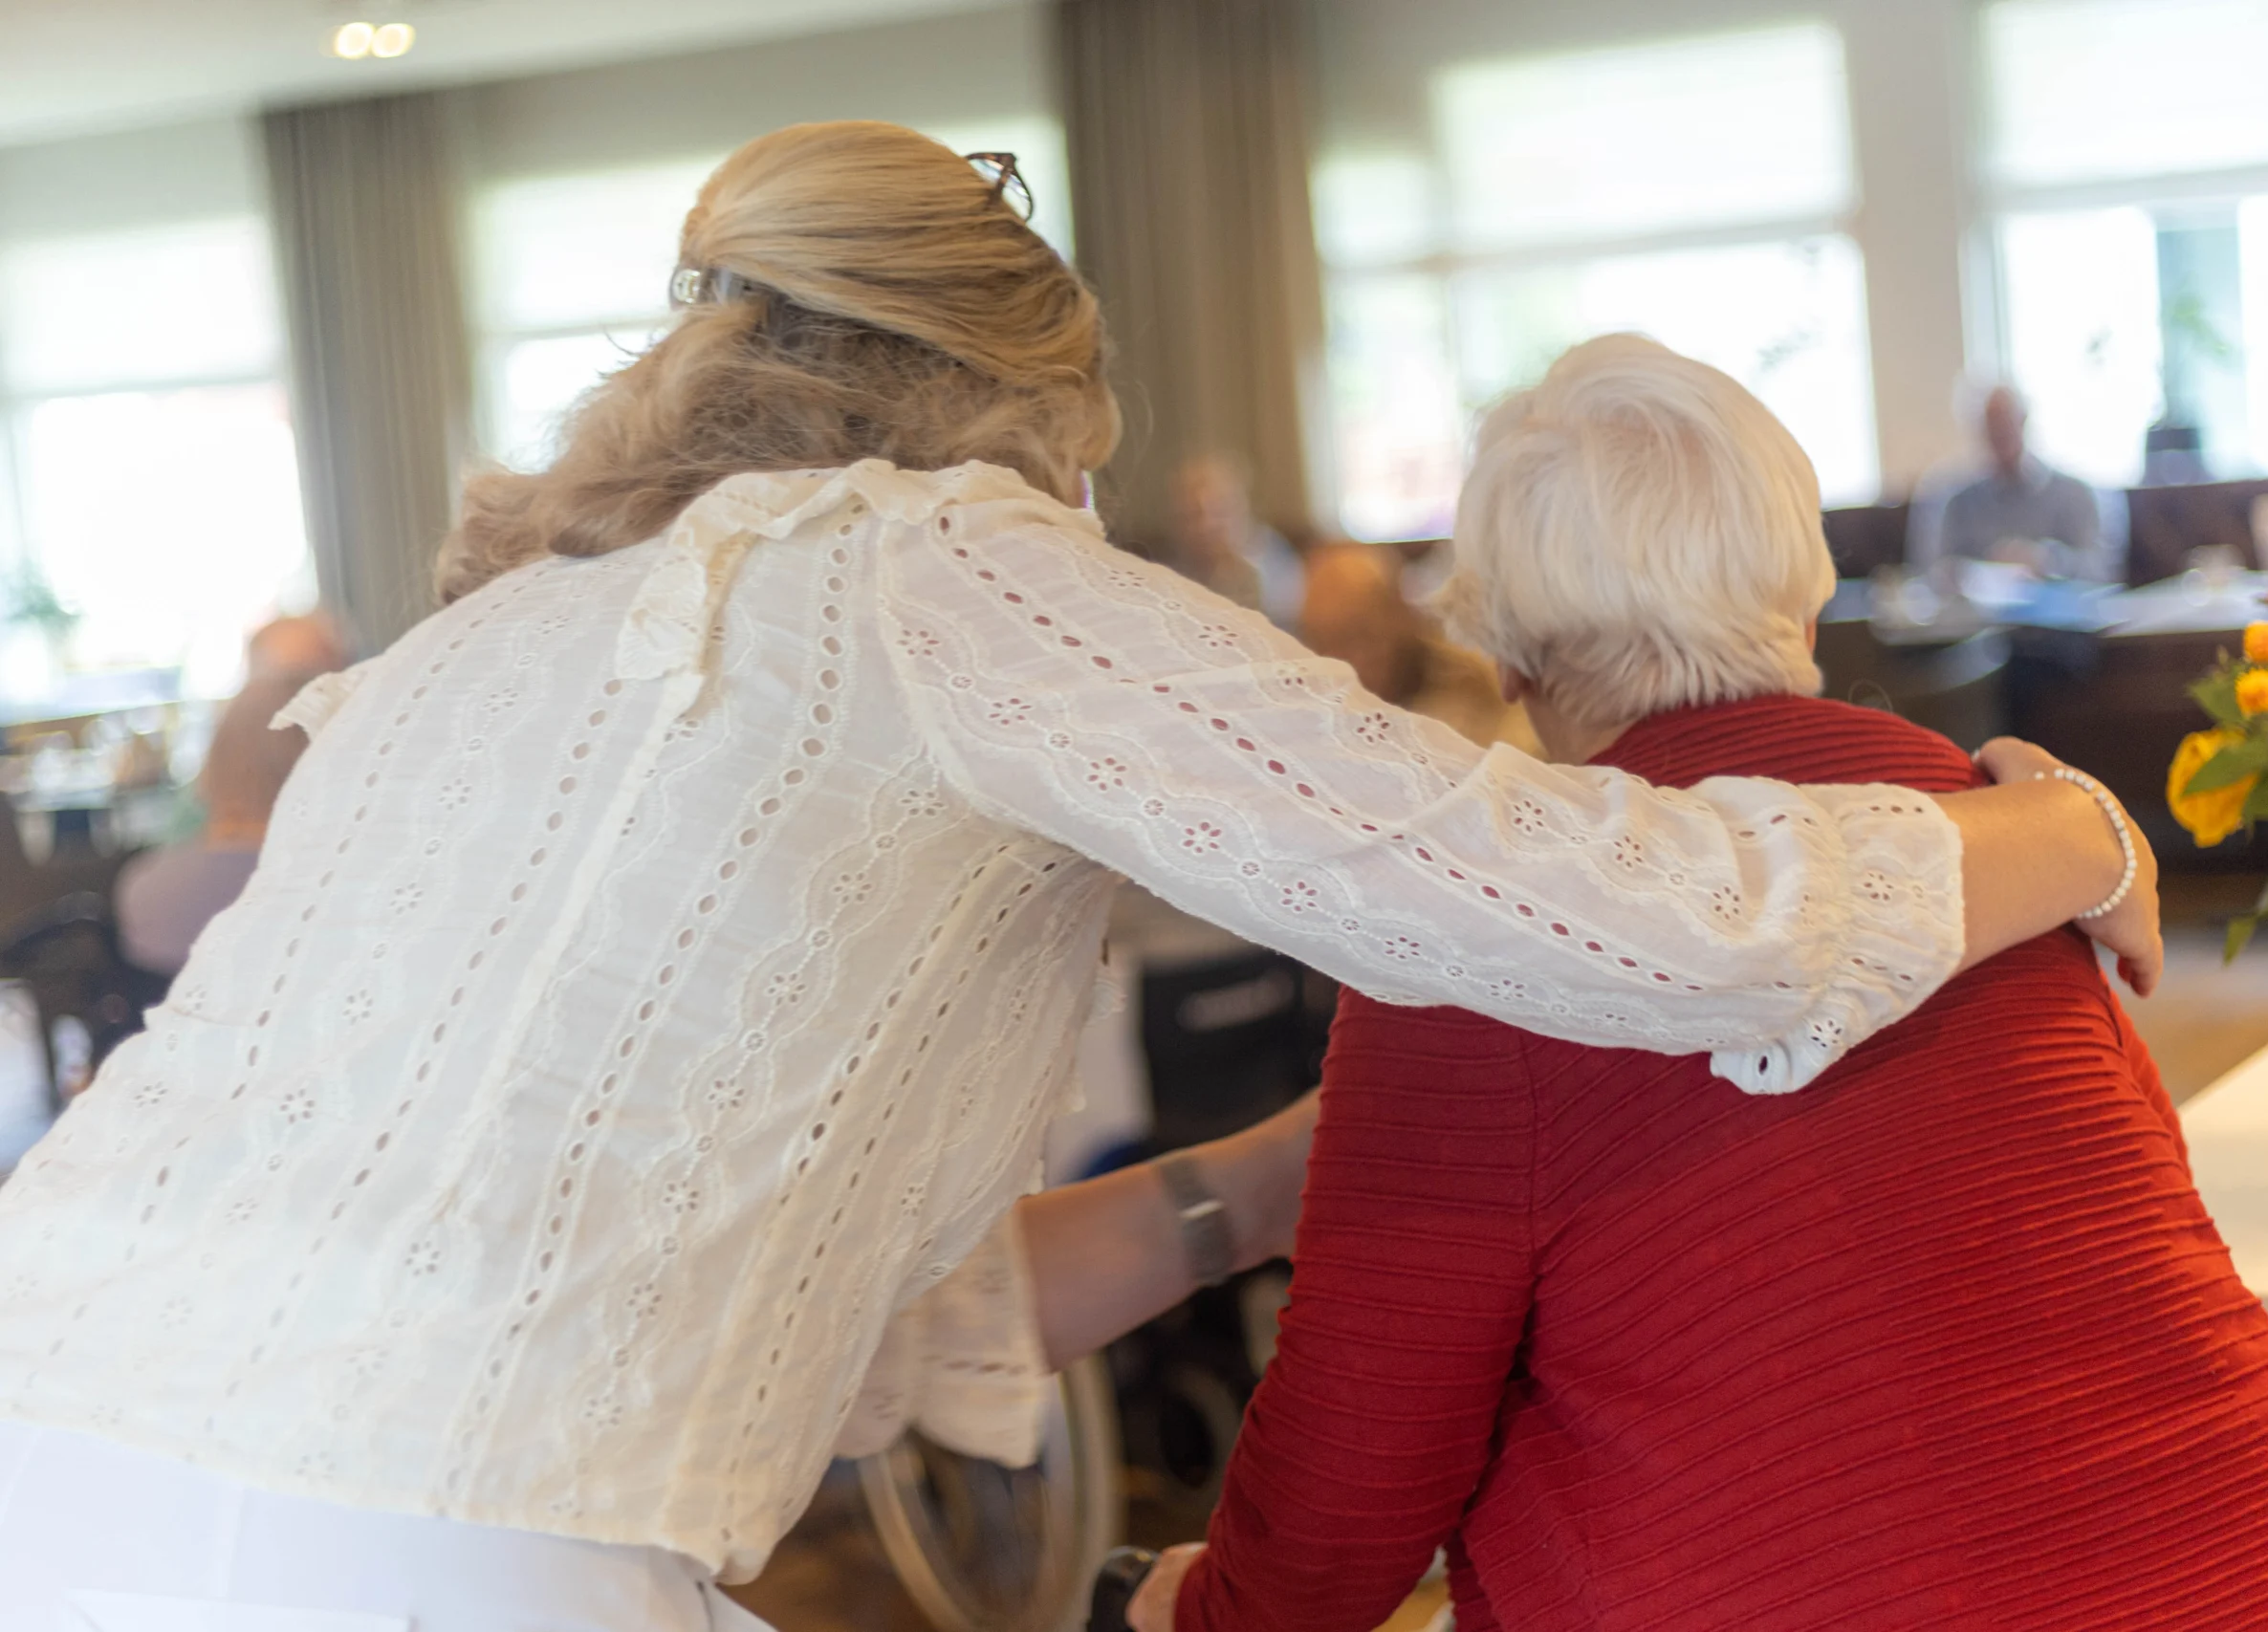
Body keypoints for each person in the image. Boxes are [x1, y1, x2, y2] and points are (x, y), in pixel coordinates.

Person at [0, 125, 2155, 1631]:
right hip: (411, 1533)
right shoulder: (946, 561)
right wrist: (2059, 827)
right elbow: (1640, 911)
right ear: (1025, 410)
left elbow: (769, 1284)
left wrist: (1302, 1170)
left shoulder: (499, 633)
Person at [1130, 337, 2268, 1632]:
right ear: (1805, 609)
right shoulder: (2005, 828)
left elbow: (1347, 1486)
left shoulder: (1473, 926)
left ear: (1514, 662)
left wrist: (1189, 1605)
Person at [113, 616, 351, 975]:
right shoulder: (330, 889)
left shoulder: (146, 888)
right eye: (302, 677)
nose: (323, 692)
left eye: (335, 671)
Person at [1298, 543, 1537, 754]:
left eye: (1360, 637)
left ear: (1400, 615)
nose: (1346, 663)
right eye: (1325, 646)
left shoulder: (1476, 683)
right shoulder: (1315, 719)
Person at [1908, 383, 2117, 582]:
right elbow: (1932, 573)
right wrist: (1973, 573)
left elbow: (2101, 572)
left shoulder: (2074, 494)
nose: (1999, 431)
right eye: (1991, 423)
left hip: (2061, 617)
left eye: (2005, 420)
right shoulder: (1957, 501)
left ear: (2023, 420)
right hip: (1980, 619)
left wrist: (2047, 561)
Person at [1168, 451, 1305, 626]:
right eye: (1192, 515)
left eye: (1218, 511)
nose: (1206, 526)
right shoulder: (1179, 570)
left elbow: (1286, 625)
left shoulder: (1271, 560)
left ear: (1242, 506)